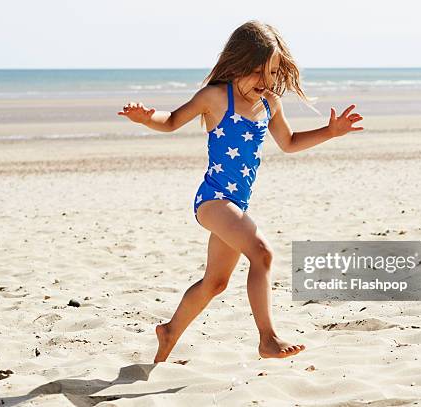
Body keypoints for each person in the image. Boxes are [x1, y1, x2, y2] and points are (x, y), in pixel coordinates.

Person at [118, 20, 364, 361]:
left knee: (215, 283)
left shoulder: (270, 104)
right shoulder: (216, 97)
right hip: (213, 200)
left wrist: (330, 132)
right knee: (262, 253)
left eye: (273, 73)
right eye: (259, 74)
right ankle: (268, 339)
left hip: (236, 204)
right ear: (240, 63)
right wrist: (147, 118)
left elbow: (290, 143)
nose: (266, 82)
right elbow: (172, 120)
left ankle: (170, 331)